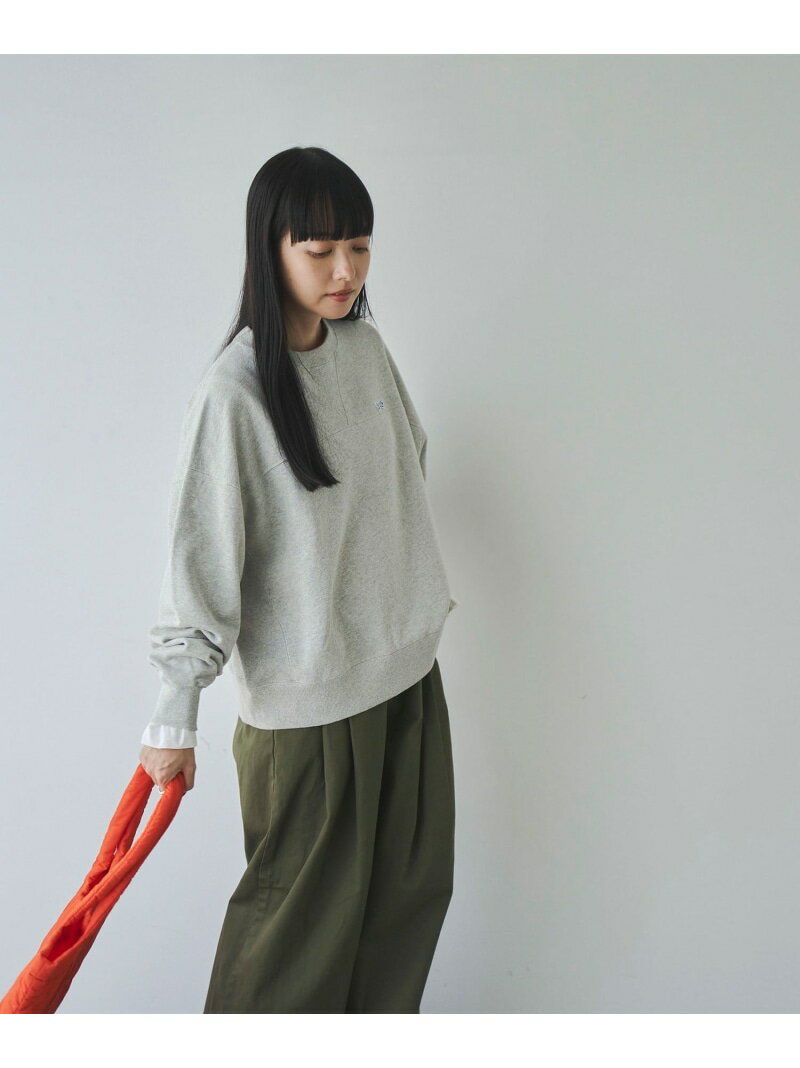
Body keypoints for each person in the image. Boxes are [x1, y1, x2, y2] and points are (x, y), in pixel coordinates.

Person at [138, 145, 459, 1013]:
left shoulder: (366, 351)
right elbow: (200, 559)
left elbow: (408, 465)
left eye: (359, 246)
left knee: (401, 919)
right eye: (319, 250)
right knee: (292, 954)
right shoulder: (234, 393)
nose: (345, 271)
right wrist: (174, 716)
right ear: (270, 248)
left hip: (407, 682)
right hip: (309, 715)